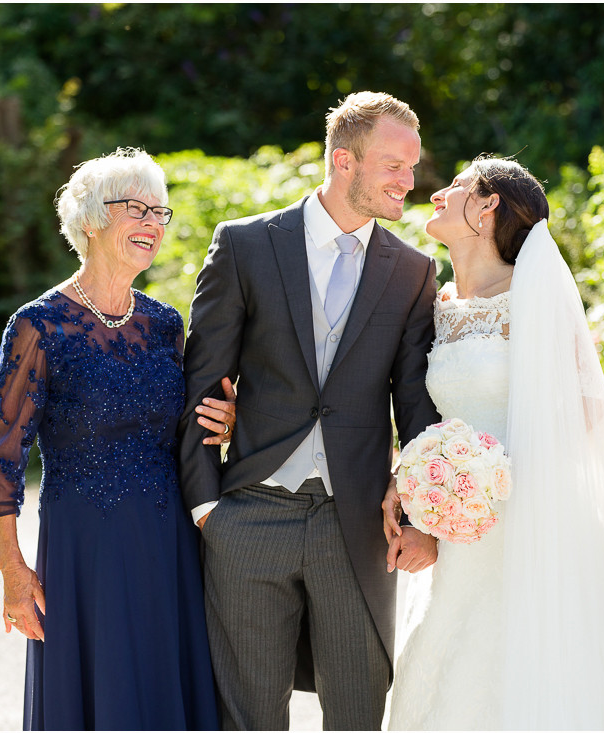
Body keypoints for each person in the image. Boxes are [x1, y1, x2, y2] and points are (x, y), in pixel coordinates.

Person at [177, 91, 441, 730]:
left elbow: (415, 405)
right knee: (248, 716)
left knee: (358, 711)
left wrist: (424, 516)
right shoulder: (246, 245)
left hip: (356, 526)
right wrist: (208, 507)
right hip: (249, 515)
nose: (408, 183)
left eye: (412, 167)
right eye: (393, 166)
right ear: (343, 161)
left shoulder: (411, 270)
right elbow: (202, 378)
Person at [383, 156, 604, 730]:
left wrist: (501, 477)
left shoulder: (532, 301)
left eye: (458, 187)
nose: (437, 193)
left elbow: (582, 418)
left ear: (488, 205)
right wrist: (425, 487)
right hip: (455, 522)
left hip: (527, 522)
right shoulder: (438, 305)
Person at [0, 148, 234, 730]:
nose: (153, 223)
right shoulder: (38, 326)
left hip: (171, 544)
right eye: (136, 209)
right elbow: (3, 460)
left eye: (160, 212)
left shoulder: (166, 324)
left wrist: (230, 418)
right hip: (84, 550)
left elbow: (192, 428)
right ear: (92, 218)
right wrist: (13, 571)